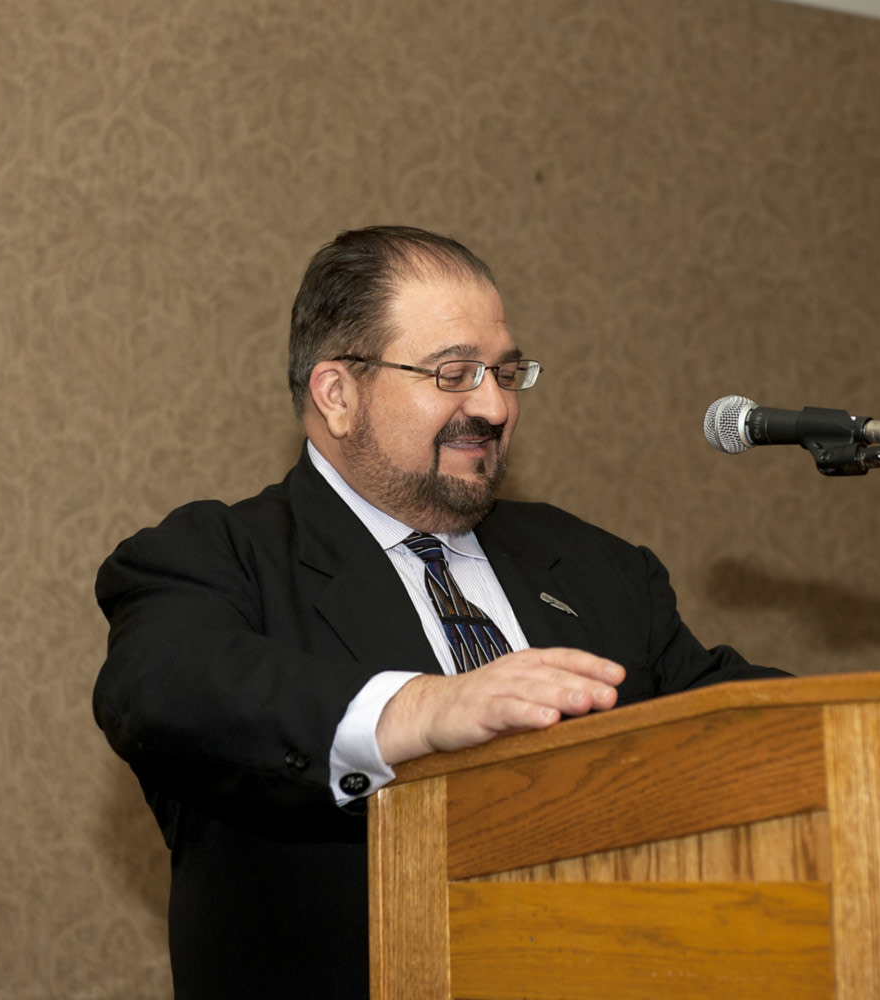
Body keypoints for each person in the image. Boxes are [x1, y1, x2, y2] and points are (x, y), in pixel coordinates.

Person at [93, 225, 783, 998]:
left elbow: (730, 714)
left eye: (506, 372)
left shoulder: (597, 566)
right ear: (337, 394)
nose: (493, 405)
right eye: (454, 373)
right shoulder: (216, 556)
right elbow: (160, 686)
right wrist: (426, 708)